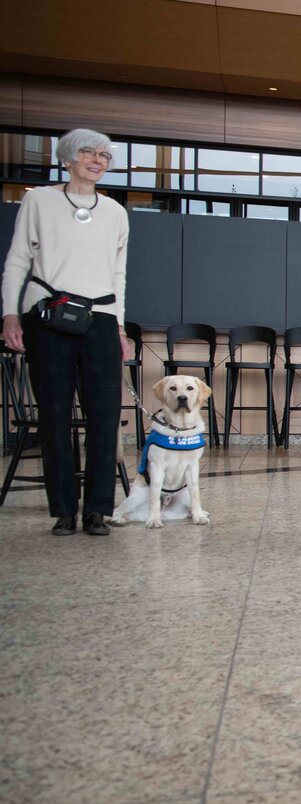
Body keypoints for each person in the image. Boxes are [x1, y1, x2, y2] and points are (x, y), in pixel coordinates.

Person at [2, 128, 131, 536]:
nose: (97, 161)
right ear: (68, 158)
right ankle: (63, 509)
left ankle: (96, 509)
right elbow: (18, 260)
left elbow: (118, 273)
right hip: (48, 317)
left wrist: (121, 327)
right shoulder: (38, 200)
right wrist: (10, 315)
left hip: (102, 319)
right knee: (54, 415)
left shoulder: (115, 212)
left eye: (104, 156)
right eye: (89, 153)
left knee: (104, 416)